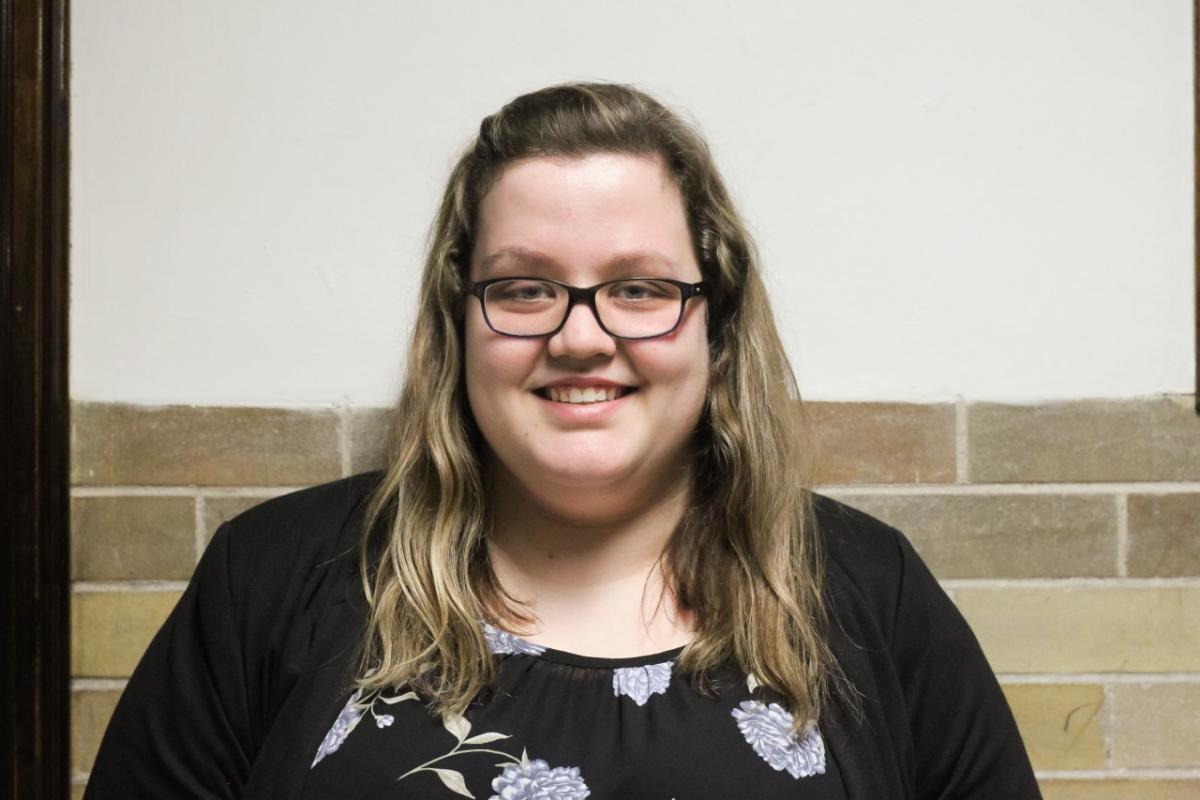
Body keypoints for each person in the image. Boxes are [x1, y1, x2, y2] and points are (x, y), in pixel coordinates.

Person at [86, 82, 1040, 799]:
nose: (582, 336)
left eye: (639, 288)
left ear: (717, 323)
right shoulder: (274, 578)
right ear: (459, 321)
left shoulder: (868, 591)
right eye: (526, 287)